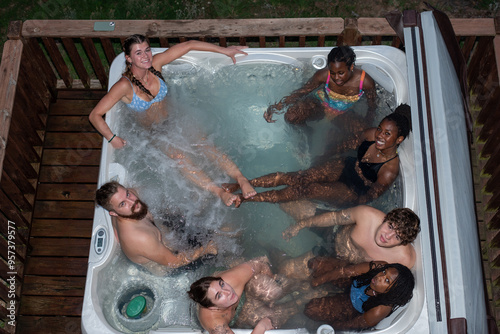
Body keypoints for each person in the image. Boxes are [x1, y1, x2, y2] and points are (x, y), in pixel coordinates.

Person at [89, 34, 256, 206]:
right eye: (138, 53)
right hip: (155, 132)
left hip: (175, 118)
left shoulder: (156, 64)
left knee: (205, 145)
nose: (145, 56)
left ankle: (241, 178)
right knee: (180, 158)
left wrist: (225, 50)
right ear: (128, 58)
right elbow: (94, 115)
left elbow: (190, 44)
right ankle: (219, 192)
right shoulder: (124, 86)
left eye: (147, 50)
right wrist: (111, 138)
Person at [224, 105, 410, 209]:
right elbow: (345, 144)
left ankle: (246, 199)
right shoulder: (370, 135)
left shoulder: (389, 170)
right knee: (298, 177)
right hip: (346, 166)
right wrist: (324, 157)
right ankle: (243, 183)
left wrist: (346, 206)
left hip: (353, 189)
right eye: (380, 129)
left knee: (305, 190)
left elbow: (369, 196)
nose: (379, 136)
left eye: (387, 134)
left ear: (399, 139)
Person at [95, 181, 217, 275]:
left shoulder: (128, 201)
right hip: (166, 265)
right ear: (114, 213)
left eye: (127, 194)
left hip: (162, 236)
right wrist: (206, 249)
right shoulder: (141, 238)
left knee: (204, 212)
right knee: (219, 248)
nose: (132, 201)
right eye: (123, 204)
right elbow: (174, 262)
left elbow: (151, 191)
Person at [187, 256, 325, 334]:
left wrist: (272, 281)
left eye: (222, 284)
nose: (228, 291)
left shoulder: (231, 280)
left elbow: (261, 261)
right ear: (212, 308)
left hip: (246, 289)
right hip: (239, 315)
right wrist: (261, 327)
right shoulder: (215, 324)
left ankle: (301, 285)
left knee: (270, 289)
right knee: (271, 318)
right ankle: (301, 302)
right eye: (219, 295)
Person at [264, 45, 376, 125]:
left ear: (351, 67)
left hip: (346, 113)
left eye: (341, 73)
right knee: (291, 116)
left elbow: (372, 106)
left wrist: (367, 124)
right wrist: (276, 108)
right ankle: (306, 133)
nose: (336, 78)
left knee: (360, 134)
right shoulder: (323, 75)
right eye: (332, 72)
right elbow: (302, 91)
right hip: (321, 105)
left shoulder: (365, 82)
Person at [281, 205, 420, 269]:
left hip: (335, 260)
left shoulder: (402, 260)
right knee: (287, 204)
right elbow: (335, 218)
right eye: (390, 227)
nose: (388, 236)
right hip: (334, 230)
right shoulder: (367, 215)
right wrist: (301, 224)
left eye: (397, 237)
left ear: (403, 243)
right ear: (386, 218)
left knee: (287, 269)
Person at [304, 259, 415, 330]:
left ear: (392, 293)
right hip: (352, 281)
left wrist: (330, 326)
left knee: (311, 309)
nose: (379, 276)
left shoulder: (379, 310)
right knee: (315, 264)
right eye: (385, 272)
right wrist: (318, 281)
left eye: (386, 281)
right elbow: (345, 271)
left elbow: (351, 324)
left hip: (351, 307)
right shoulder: (379, 266)